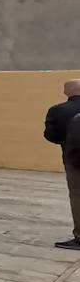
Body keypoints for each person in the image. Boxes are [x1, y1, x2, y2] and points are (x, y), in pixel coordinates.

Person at [44, 79, 80, 251]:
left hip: (74, 160)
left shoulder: (57, 111)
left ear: (66, 92)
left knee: (78, 197)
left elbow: (50, 135)